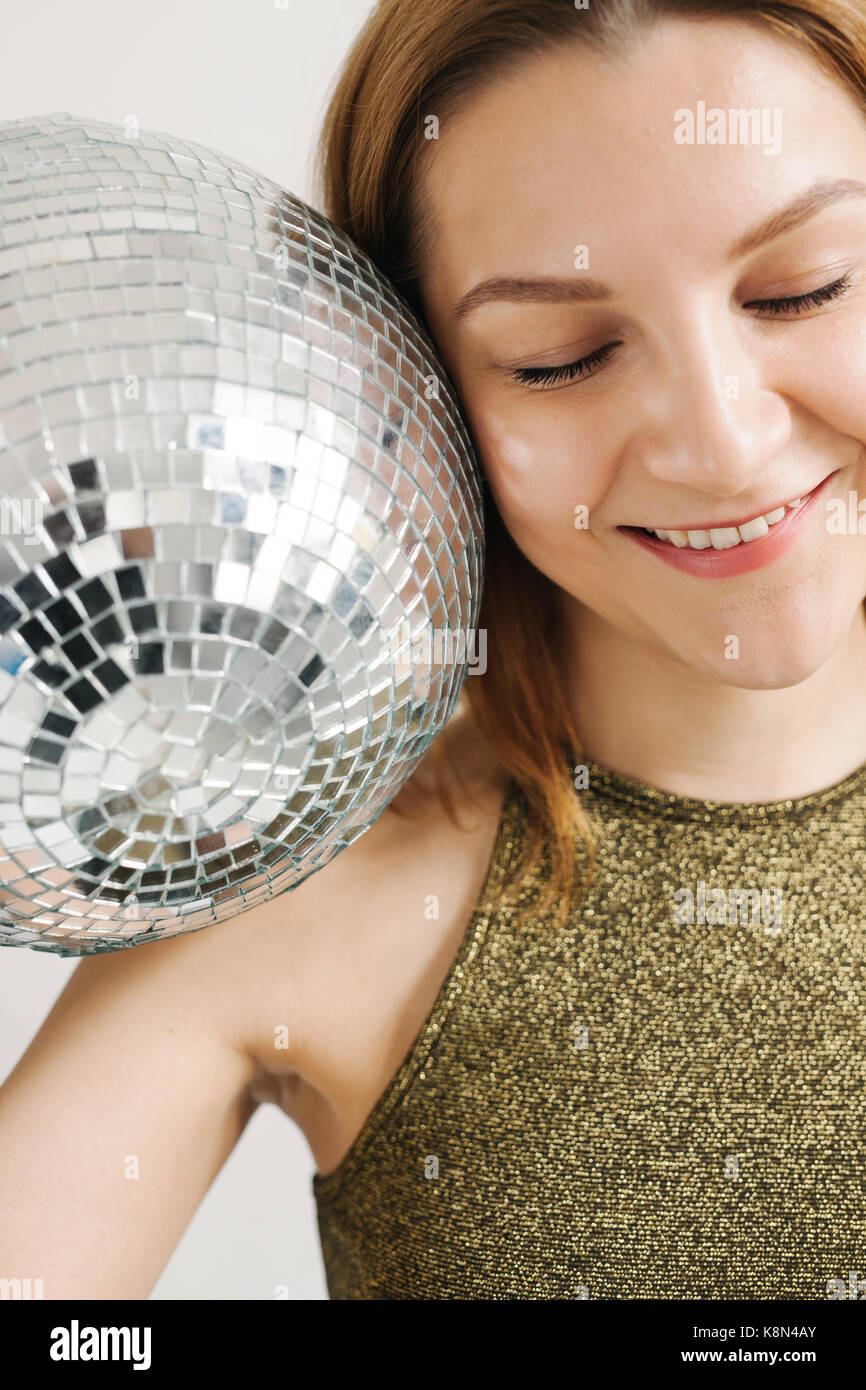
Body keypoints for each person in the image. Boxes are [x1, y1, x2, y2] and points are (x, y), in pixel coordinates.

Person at [3, 0, 866, 1299]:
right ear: (415, 384)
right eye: (559, 358)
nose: (723, 443)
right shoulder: (300, 885)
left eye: (802, 286)